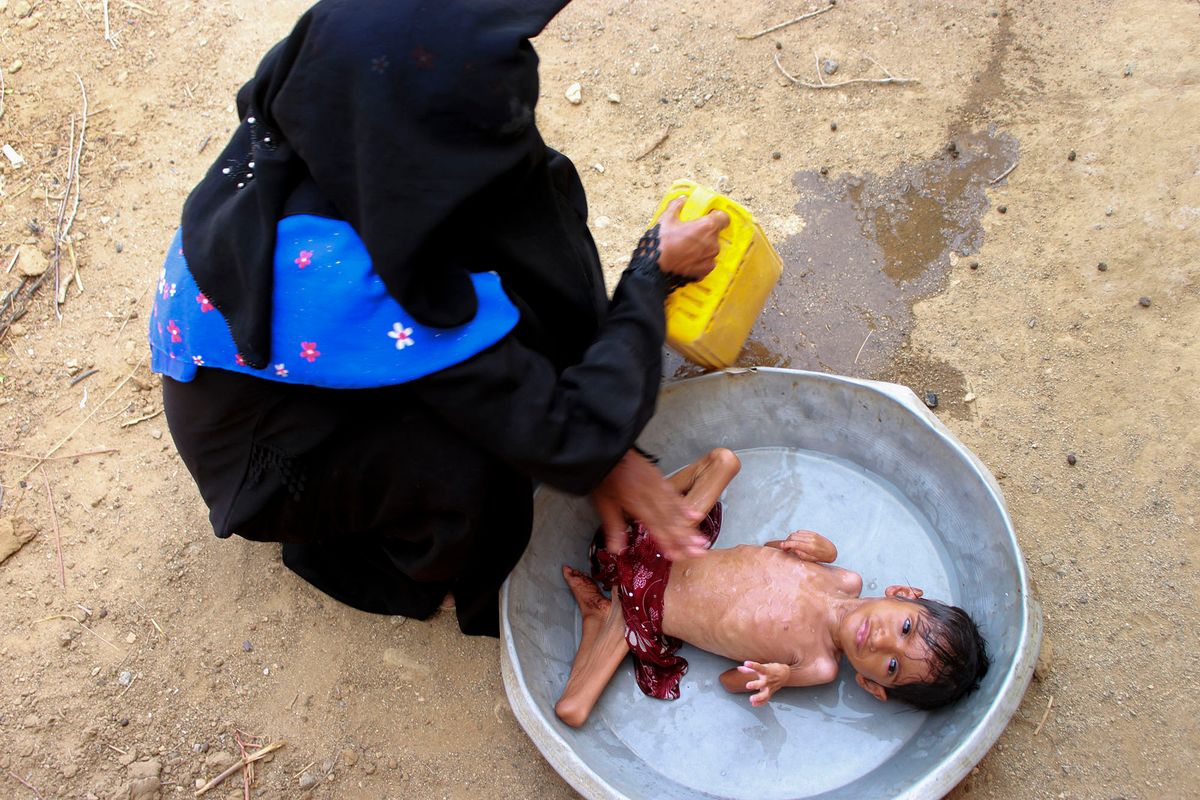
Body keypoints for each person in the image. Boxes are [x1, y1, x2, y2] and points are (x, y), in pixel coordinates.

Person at [149, 1, 730, 636]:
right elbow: (562, 437)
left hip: (312, 359)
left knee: (530, 200)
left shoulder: (334, 107)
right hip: (272, 456)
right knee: (475, 461)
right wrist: (651, 276)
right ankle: (399, 560)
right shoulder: (377, 288)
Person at [554, 448, 990, 727]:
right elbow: (762, 558)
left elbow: (726, 681)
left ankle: (602, 618)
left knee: (572, 710)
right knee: (725, 460)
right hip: (672, 545)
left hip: (645, 603)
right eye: (906, 629)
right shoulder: (843, 576)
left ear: (872, 685)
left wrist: (770, 678)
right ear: (902, 595)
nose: (881, 642)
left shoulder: (817, 665)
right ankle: (639, 503)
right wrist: (815, 547)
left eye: (892, 667)